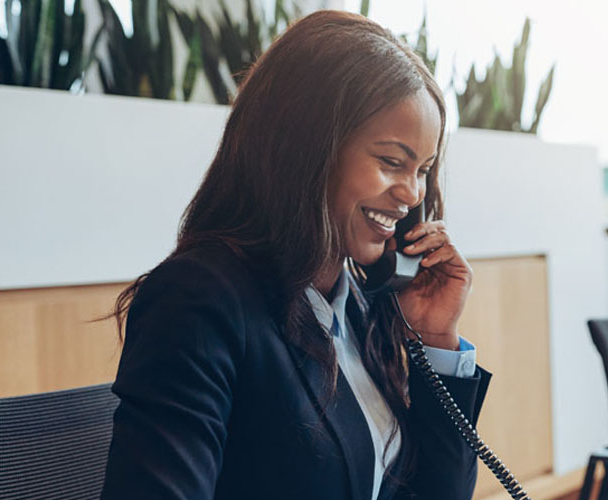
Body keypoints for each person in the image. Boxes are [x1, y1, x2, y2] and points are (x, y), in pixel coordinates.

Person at [99, 11, 490, 500]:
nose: (412, 195)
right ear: (306, 149)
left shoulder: (360, 310)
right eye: (392, 161)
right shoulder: (199, 301)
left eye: (423, 169)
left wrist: (436, 339)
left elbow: (441, 495)